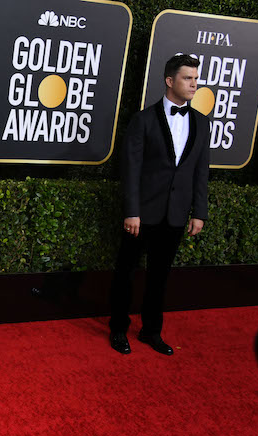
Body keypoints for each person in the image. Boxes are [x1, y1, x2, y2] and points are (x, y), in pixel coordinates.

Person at [109, 54, 209, 356]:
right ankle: (118, 329)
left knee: (160, 277)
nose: (194, 83)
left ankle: (151, 332)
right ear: (170, 81)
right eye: (187, 78)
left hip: (176, 214)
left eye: (195, 78)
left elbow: (201, 170)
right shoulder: (143, 120)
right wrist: (132, 211)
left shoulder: (202, 123)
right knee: (126, 273)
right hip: (141, 215)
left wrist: (198, 212)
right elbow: (131, 168)